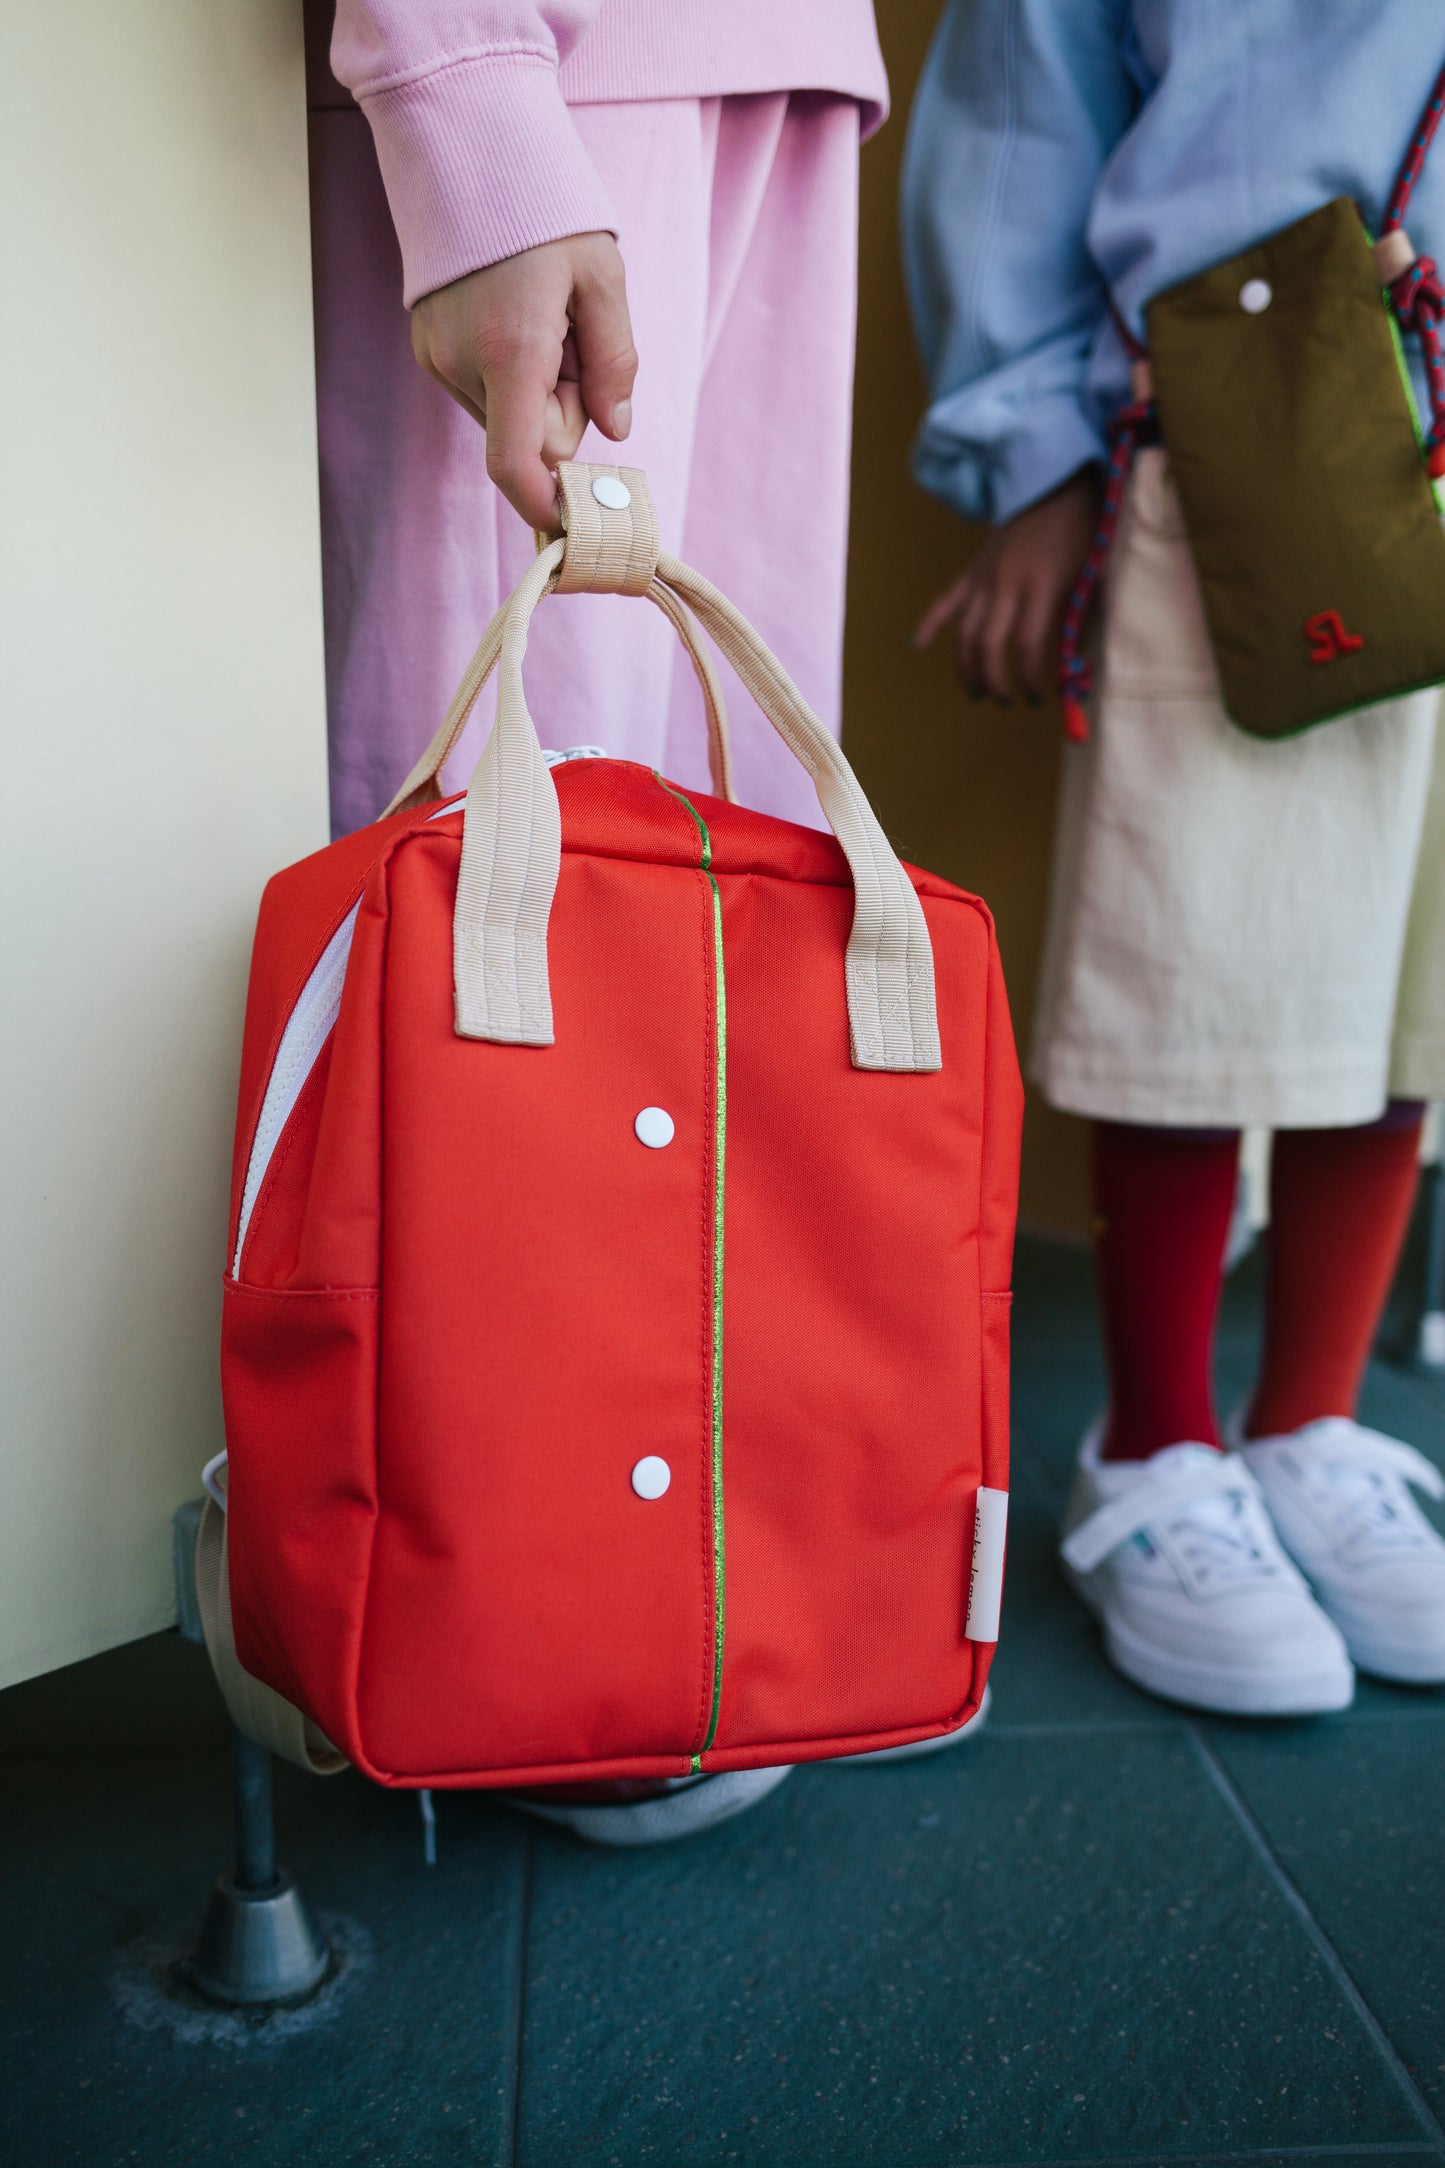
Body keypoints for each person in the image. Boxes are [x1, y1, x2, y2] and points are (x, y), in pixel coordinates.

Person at [306, 0, 988, 1840]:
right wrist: (468, 108)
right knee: (513, 837)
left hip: (772, 63)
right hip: (558, 55)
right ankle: (516, 1589)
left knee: (718, 822)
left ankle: (665, 1571)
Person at [905, 0, 1445, 1717]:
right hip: (1240, 404)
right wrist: (1031, 461)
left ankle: (1309, 1422)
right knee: (1200, 943)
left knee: (1413, 969)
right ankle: (1153, 1446)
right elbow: (1017, 109)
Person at [307, 0, 886, 838]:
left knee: (726, 870)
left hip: (783, 79)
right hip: (547, 88)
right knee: (489, 869)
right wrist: (477, 110)